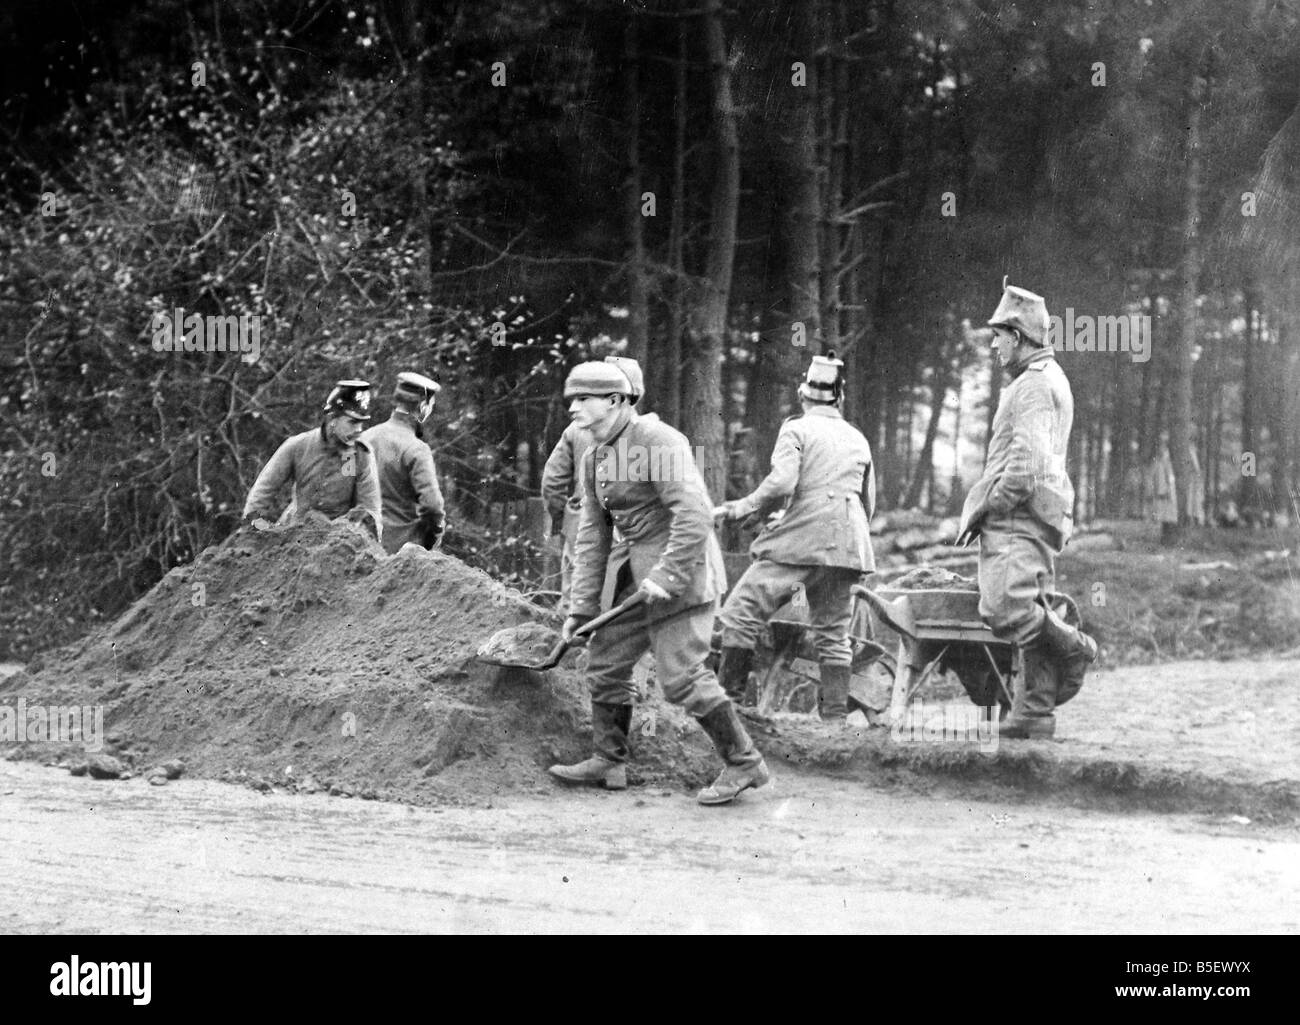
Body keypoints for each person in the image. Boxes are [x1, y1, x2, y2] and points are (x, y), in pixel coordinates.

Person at [546, 360, 772, 805]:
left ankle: (744, 762)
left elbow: (694, 513)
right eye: (571, 398)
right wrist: (580, 609)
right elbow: (593, 535)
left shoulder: (658, 440)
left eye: (582, 399)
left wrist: (667, 575)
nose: (572, 408)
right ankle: (609, 759)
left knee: (681, 678)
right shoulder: (595, 456)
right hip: (637, 577)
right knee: (606, 660)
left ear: (614, 401)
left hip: (683, 575)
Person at [956, 284, 1099, 739]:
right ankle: (1034, 710)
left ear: (1017, 336)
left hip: (1018, 514)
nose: (994, 345)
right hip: (1037, 513)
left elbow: (1027, 464)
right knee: (1032, 603)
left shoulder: (1034, 385)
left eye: (999, 336)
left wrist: (995, 504)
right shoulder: (1049, 378)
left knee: (1005, 607)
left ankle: (1075, 647)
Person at [714, 354, 876, 722]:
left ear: (803, 396)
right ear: (839, 399)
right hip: (848, 544)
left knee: (740, 613)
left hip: (804, 541)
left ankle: (728, 712)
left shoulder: (796, 429)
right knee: (834, 634)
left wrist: (744, 507)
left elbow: (784, 482)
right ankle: (834, 723)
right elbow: (869, 502)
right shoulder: (857, 438)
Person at [541, 357, 644, 613]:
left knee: (574, 600)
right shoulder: (647, 433)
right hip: (629, 533)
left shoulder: (576, 429)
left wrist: (561, 520)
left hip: (582, 526)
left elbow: (552, 482)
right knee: (619, 606)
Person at [242, 379, 382, 542]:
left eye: (362, 424)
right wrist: (255, 530)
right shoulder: (297, 446)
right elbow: (262, 492)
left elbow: (370, 511)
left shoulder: (361, 455)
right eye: (352, 422)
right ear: (332, 419)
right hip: (293, 537)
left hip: (337, 543)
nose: (358, 430)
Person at [360, 371, 446, 554]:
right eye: (431, 405)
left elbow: (346, 481)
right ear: (423, 406)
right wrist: (434, 536)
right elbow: (433, 506)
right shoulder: (417, 450)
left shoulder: (362, 439)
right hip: (401, 555)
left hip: (360, 545)